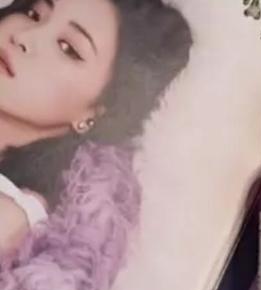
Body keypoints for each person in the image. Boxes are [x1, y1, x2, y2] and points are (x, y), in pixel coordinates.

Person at [0, 0, 193, 255]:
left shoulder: (11, 216)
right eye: (34, 14)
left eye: (68, 48)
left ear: (97, 111)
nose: (23, 37)